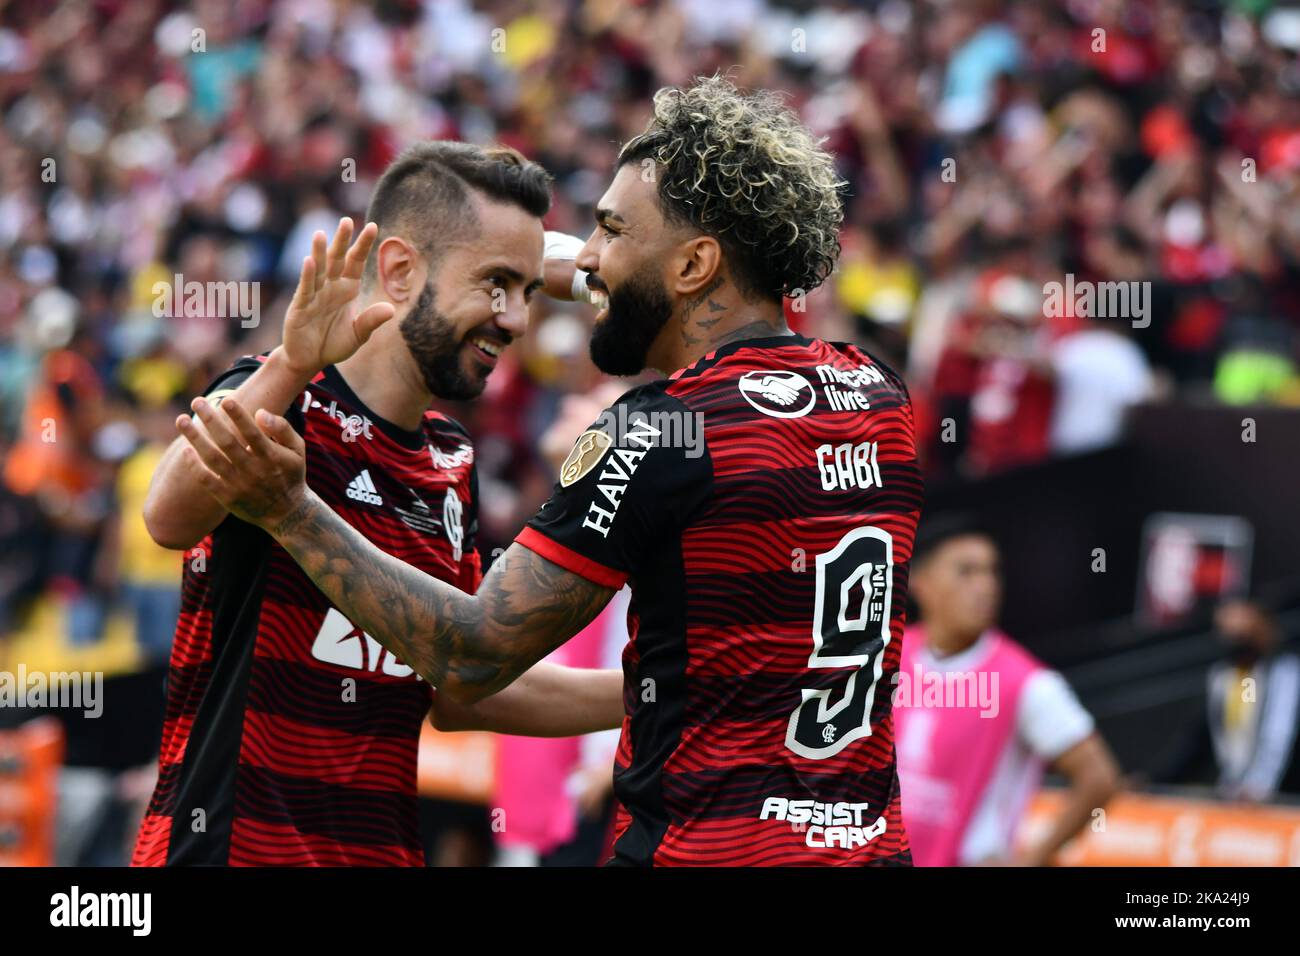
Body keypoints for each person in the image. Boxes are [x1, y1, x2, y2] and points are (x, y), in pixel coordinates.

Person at [175, 76, 926, 866]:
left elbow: (471, 654)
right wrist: (553, 269)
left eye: (608, 230)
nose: (590, 258)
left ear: (695, 263)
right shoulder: (877, 395)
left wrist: (291, 510)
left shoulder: (661, 429)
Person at [132, 142, 622, 867]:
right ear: (397, 270)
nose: (516, 320)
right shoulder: (284, 396)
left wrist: (663, 683)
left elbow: (462, 685)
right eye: (495, 285)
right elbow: (166, 516)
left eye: (525, 291)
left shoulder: (452, 457)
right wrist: (293, 361)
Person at [894, 516, 1120, 866]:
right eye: (966, 572)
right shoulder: (889, 655)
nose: (985, 585)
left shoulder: (1026, 682)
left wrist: (1033, 859)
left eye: (991, 571)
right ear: (921, 583)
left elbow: (1099, 778)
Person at [1155, 597, 1300, 802]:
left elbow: (1278, 739)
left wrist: (1259, 787)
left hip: (1283, 802)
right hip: (1233, 799)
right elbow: (1197, 744)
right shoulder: (1221, 678)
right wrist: (1156, 779)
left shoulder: (1286, 674)